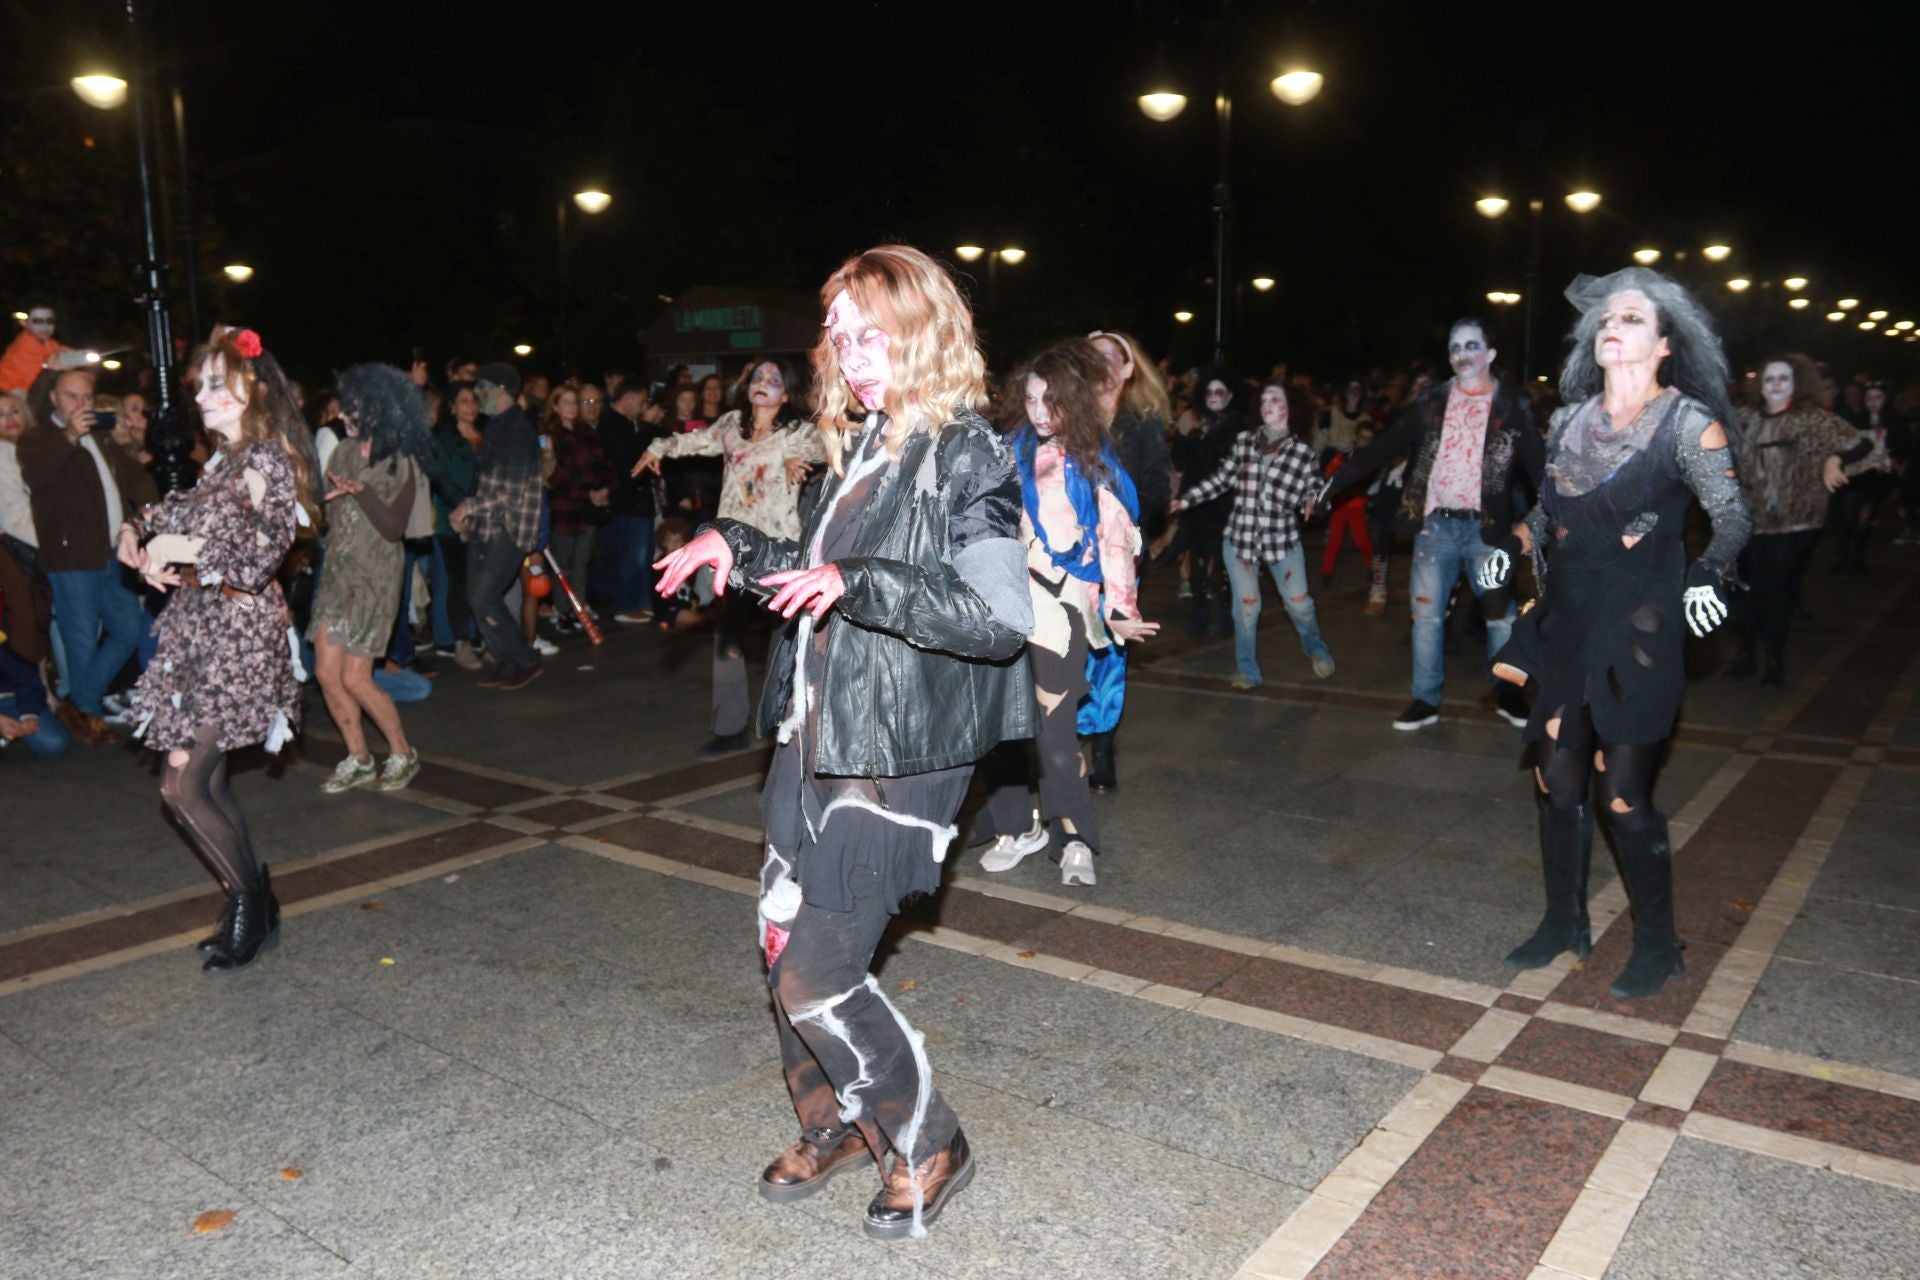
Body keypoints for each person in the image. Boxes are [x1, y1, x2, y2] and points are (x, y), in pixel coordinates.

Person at [655, 244, 1032, 1240]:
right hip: (812, 735)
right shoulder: (856, 447)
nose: (856, 354)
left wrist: (862, 584)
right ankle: (830, 1120)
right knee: (780, 940)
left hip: (902, 754)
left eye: (877, 333)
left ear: (928, 331)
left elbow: (997, 615)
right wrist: (733, 547)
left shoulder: (967, 451)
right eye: (843, 335)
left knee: (815, 972)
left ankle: (928, 1134)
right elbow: (819, 569)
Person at [1480, 268, 1751, 1000]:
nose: (1611, 326)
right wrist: (1511, 545)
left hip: (1640, 622)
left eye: (1630, 318)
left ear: (1664, 344)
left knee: (1622, 794)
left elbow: (1731, 516)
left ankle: (1659, 944)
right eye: (1605, 317)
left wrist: (1708, 573)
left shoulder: (1687, 424)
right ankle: (1563, 921)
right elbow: (1544, 512)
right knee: (1556, 776)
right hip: (1567, 615)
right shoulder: (1569, 420)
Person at [118, 327, 318, 971]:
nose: (201, 396)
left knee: (181, 784)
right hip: (201, 630)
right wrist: (137, 530)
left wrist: (176, 551)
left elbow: (262, 557)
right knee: (208, 779)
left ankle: (247, 903)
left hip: (238, 633)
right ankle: (254, 901)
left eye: (215, 383)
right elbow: (176, 510)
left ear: (251, 388)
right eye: (198, 383)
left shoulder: (266, 460)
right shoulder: (223, 461)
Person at [977, 340, 1154, 886]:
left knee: (1055, 731)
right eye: (1030, 399)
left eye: (1048, 401)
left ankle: (1074, 836)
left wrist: (1121, 608)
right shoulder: (1007, 448)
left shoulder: (1093, 459)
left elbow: (1117, 538)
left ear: (1072, 400)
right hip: (1001, 601)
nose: (1037, 411)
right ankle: (1014, 824)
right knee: (999, 725)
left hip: (1058, 603)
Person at [1314, 318, 1541, 731]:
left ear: (1490, 354)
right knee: (1427, 618)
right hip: (1436, 527)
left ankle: (1508, 693)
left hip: (1488, 531)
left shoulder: (1513, 406)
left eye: (1472, 346)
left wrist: (1557, 519)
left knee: (1500, 617)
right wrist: (1329, 487)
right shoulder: (1432, 403)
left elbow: (1538, 469)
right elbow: (1382, 447)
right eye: (1455, 347)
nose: (1462, 355)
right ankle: (1424, 699)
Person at [636, 357, 824, 754]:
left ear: (786, 393)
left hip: (779, 554)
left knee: (789, 642)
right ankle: (729, 727)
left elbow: (828, 446)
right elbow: (693, 440)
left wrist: (797, 459)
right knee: (727, 637)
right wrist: (659, 447)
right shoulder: (731, 426)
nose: (763, 382)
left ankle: (797, 727)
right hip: (735, 551)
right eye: (758, 376)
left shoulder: (797, 432)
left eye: (773, 379)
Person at [308, 363, 432, 793]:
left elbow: (394, 527)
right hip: (337, 571)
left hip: (376, 576)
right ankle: (358, 757)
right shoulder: (341, 453)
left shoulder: (400, 462)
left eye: (352, 410)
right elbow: (325, 513)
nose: (343, 417)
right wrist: (317, 503)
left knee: (356, 678)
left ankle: (402, 751)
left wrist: (362, 493)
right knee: (326, 672)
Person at [17, 366, 158, 742]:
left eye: (86, 397)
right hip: (71, 558)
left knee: (128, 628)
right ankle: (89, 712)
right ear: (53, 398)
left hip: (113, 551)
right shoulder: (38, 438)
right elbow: (37, 477)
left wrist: (150, 509)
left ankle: (80, 701)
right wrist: (69, 436)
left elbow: (133, 475)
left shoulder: (100, 435)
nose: (81, 404)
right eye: (71, 396)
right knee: (80, 639)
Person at [1172, 378, 1335, 687]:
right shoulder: (1245, 442)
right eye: (1264, 401)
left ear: (1291, 407)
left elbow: (1315, 488)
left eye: (1275, 399)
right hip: (1240, 541)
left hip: (1282, 542)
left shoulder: (1302, 453)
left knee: (1299, 605)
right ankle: (1247, 669)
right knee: (1247, 607)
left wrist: (1314, 499)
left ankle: (1314, 646)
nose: (1267, 405)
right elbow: (1222, 480)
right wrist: (1186, 499)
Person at [1726, 354, 1872, 684]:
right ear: (1759, 385)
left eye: (1783, 379)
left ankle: (1775, 663)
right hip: (1749, 520)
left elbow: (1861, 443)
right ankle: (1747, 654)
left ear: (1796, 384)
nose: (1776, 385)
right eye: (1769, 379)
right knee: (1745, 590)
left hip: (1796, 521)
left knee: (1773, 589)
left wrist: (1836, 458)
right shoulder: (1744, 419)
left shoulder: (1812, 419)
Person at [1082, 329, 1173, 791]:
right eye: (1089, 355)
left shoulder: (1142, 421)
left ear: (1126, 368)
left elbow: (1160, 487)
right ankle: (1060, 739)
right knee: (1066, 643)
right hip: (1067, 551)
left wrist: (1118, 508)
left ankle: (1102, 749)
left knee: (1110, 653)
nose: (1098, 364)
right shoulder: (1065, 414)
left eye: (1107, 357)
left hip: (1120, 556)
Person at [452, 364, 544, 689]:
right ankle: (510, 661)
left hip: (510, 528)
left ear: (501, 390)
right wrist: (471, 515)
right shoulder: (497, 427)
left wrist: (469, 507)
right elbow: (487, 483)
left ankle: (523, 658)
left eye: (482, 388)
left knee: (483, 597)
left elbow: (511, 493)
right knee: (481, 598)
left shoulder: (517, 430)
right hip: (490, 526)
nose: (478, 395)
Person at [1169, 370, 1246, 636]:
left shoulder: (1236, 427)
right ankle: (1200, 611)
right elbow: (1182, 461)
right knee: (1198, 559)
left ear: (1230, 396)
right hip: (1199, 504)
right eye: (1209, 392)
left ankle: (1226, 616)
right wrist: (1185, 442)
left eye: (1219, 392)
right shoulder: (1198, 424)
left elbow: (1228, 464)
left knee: (1223, 563)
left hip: (1226, 504)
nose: (1214, 397)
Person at [596, 376, 668, 623]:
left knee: (642, 555)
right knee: (629, 555)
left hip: (639, 500)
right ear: (628, 398)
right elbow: (628, 461)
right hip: (625, 501)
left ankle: (640, 600)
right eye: (641, 400)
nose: (644, 405)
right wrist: (646, 427)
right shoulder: (610, 424)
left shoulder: (627, 422)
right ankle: (626, 604)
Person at [541, 382, 612, 630]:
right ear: (556, 407)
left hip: (588, 508)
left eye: (574, 401)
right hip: (566, 507)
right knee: (563, 562)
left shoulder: (587, 432)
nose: (571, 407)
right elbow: (554, 475)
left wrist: (604, 489)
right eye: (566, 402)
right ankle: (560, 610)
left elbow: (604, 463)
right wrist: (586, 493)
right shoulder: (550, 435)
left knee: (582, 561)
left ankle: (578, 605)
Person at [427, 380, 484, 669]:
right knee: (459, 583)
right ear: (451, 406)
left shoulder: (486, 436)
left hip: (487, 519)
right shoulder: (443, 440)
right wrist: (463, 508)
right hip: (454, 521)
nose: (471, 406)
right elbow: (441, 479)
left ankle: (485, 637)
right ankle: (462, 642)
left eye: (474, 400)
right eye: (464, 401)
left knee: (485, 581)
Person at [1829, 380, 1904, 572]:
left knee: (1865, 517)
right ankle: (1841, 556)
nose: (1873, 402)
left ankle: (1857, 558)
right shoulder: (1857, 419)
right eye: (1869, 398)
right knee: (1848, 516)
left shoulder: (1895, 421)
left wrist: (1894, 459)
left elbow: (1902, 446)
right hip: (1855, 475)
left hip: (1877, 476)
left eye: (1878, 398)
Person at [1, 305, 67, 393]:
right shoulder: (21, 349)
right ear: (24, 323)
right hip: (11, 395)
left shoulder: (50, 343)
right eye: (38, 321)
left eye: (50, 321)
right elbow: (37, 384)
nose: (45, 326)